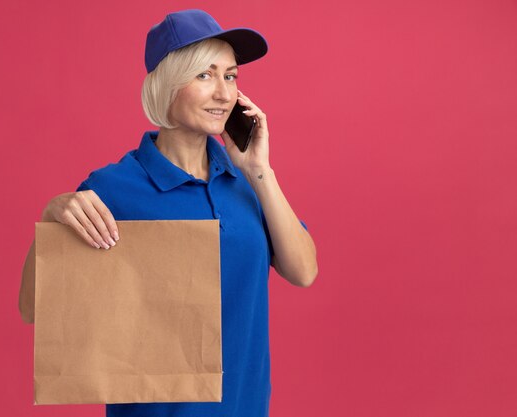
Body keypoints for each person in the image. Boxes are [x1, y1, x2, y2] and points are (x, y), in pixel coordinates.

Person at [19, 9, 318, 417]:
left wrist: (258, 169)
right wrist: (52, 220)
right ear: (166, 85)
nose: (224, 94)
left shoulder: (245, 180)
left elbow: (303, 271)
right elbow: (35, 308)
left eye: (230, 76)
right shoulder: (114, 188)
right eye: (204, 75)